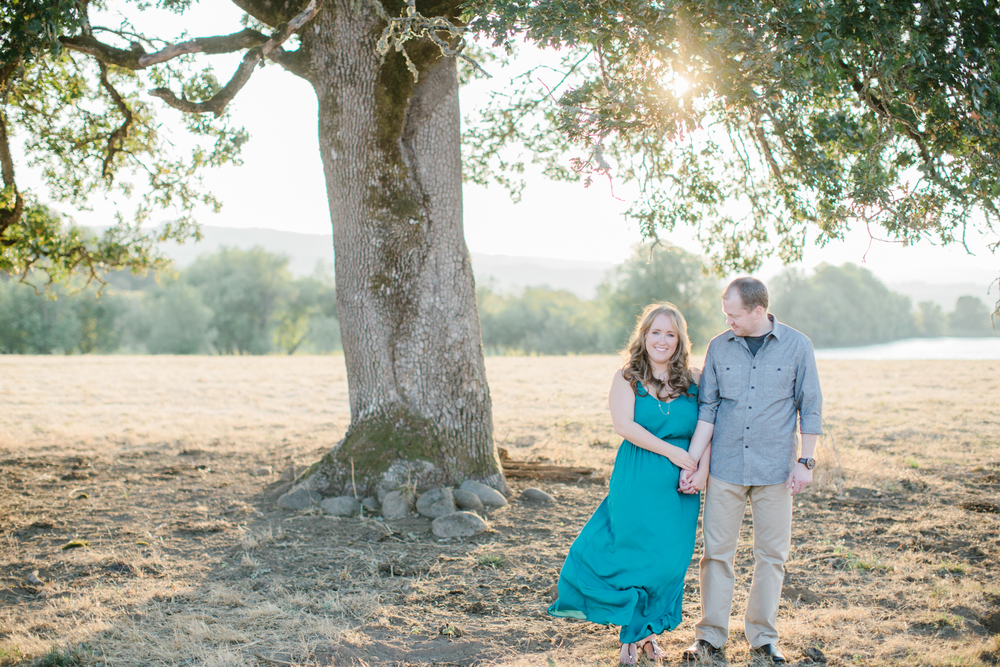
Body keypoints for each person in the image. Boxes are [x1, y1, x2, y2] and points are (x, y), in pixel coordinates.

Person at [548, 302, 714, 664]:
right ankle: (635, 637)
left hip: (681, 484)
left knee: (668, 560)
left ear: (680, 340)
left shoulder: (696, 379)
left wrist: (702, 469)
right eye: (656, 332)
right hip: (638, 478)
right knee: (634, 555)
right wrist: (672, 452)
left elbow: (712, 424)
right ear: (644, 335)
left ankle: (647, 633)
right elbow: (624, 426)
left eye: (671, 334)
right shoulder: (628, 376)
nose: (663, 340)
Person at [679, 277, 822, 664]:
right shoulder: (718, 347)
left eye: (734, 315)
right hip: (725, 468)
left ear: (758, 311)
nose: (728, 322)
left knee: (771, 556)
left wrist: (805, 461)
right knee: (716, 555)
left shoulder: (798, 346)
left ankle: (762, 638)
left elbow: (810, 408)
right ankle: (709, 637)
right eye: (725, 314)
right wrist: (693, 464)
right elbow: (707, 408)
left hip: (776, 471)